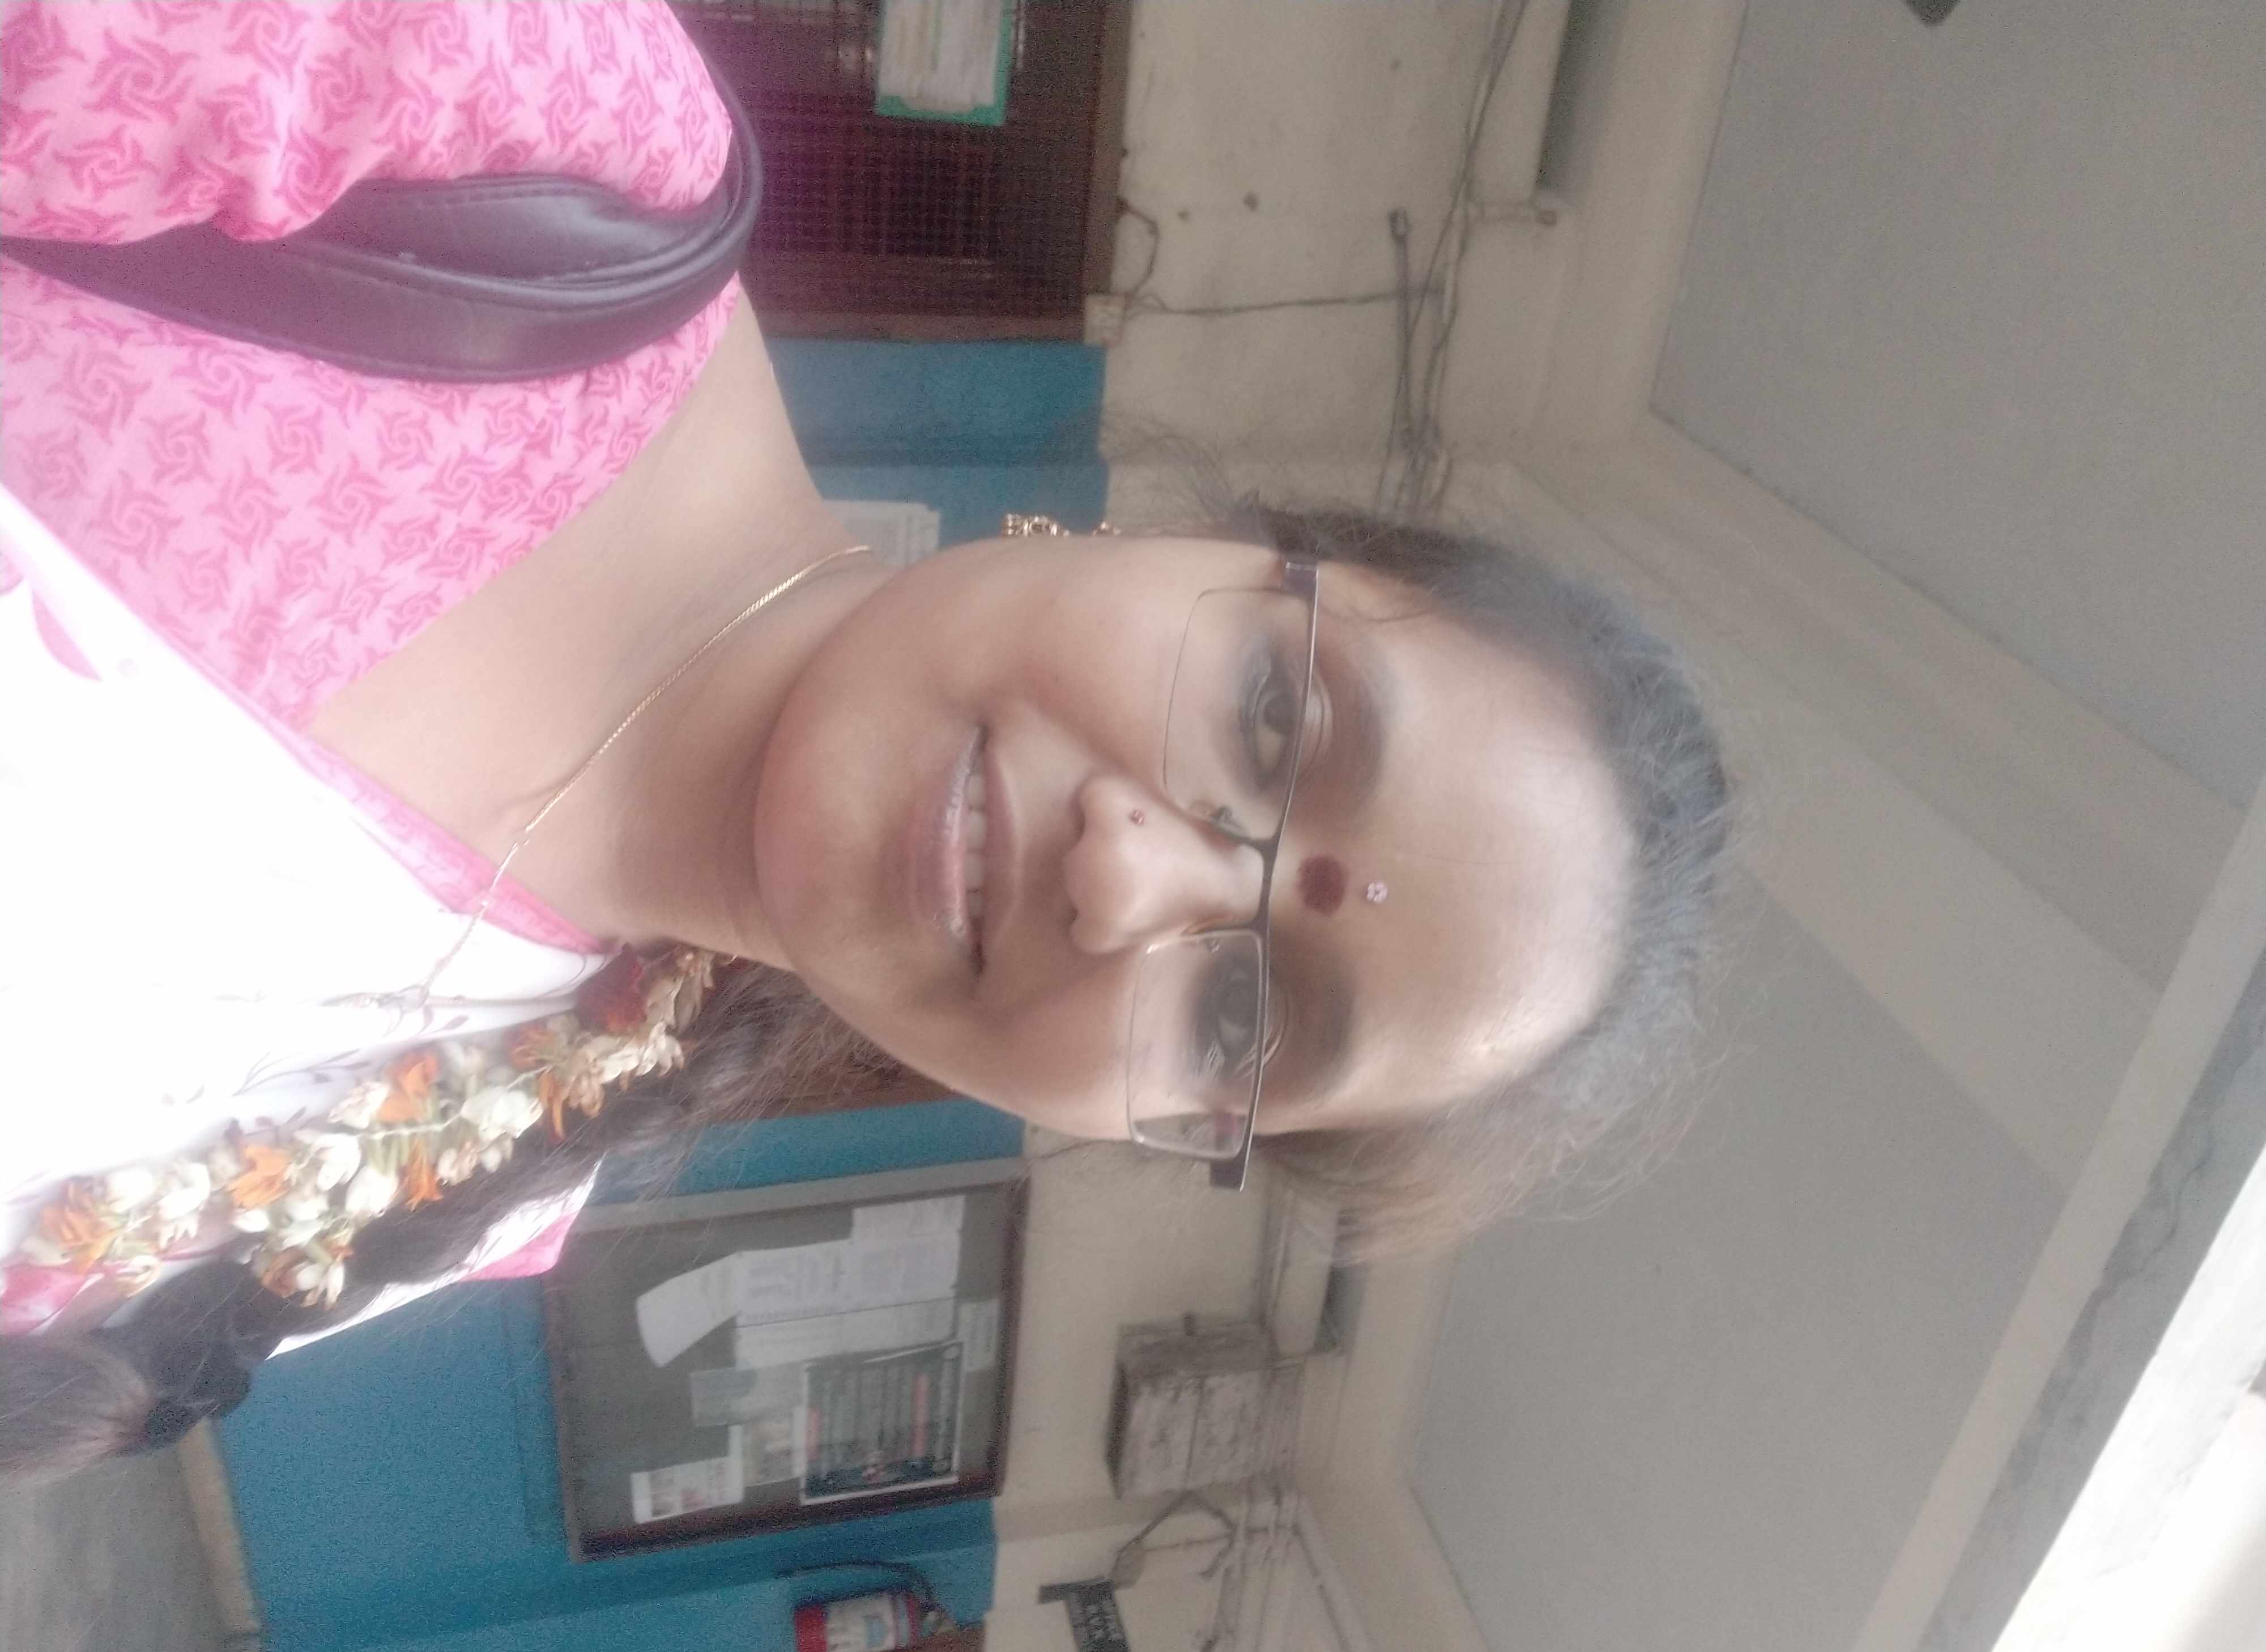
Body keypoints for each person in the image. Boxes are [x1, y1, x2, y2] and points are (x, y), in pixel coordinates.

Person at [0, 0, 1727, 1480]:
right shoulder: (526, 124)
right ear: (1196, 537)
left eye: (1241, 1018)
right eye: (1274, 715)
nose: (1129, 883)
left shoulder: (467, 1185)